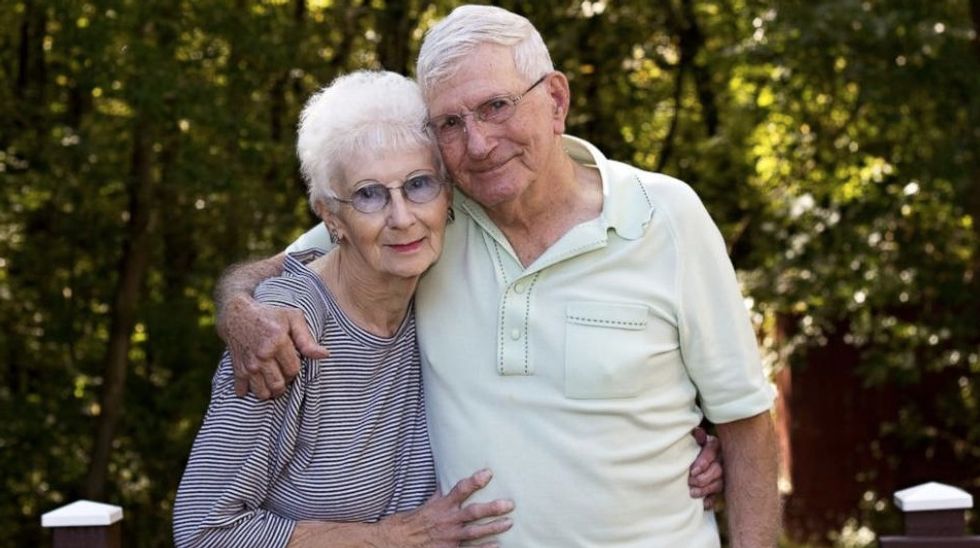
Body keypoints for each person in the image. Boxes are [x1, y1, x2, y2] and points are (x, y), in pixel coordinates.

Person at [216, 5, 778, 547]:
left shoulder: (667, 216)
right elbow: (287, 268)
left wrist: (716, 456)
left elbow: (745, 420)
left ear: (556, 99)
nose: (479, 144)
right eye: (451, 124)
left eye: (496, 106)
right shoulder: (424, 221)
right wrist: (238, 310)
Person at [173, 70, 516, 547]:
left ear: (448, 193)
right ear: (330, 216)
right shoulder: (283, 332)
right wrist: (389, 539)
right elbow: (203, 531)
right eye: (368, 195)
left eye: (419, 184)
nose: (402, 218)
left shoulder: (445, 280)